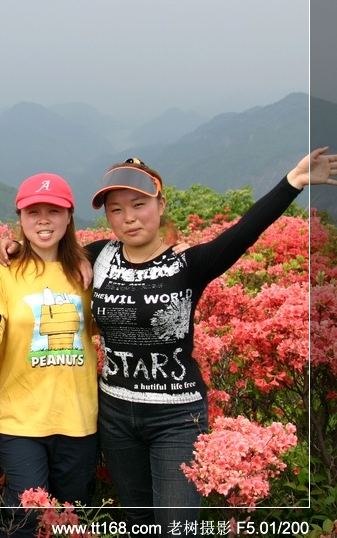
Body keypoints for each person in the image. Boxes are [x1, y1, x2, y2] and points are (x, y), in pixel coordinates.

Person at [85, 149, 337, 534]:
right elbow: (45, 253)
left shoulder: (188, 264)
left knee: (177, 527)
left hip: (176, 419)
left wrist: (294, 182)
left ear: (161, 204)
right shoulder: (98, 255)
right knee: (138, 521)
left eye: (138, 204)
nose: (128, 217)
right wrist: (7, 248)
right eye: (116, 210)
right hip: (115, 413)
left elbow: (244, 231)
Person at [0, 173, 98, 537]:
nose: (43, 220)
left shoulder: (87, 272)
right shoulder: (2, 270)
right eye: (33, 212)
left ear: (69, 216)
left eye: (54, 211)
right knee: (26, 520)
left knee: (74, 524)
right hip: (20, 421)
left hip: (78, 419)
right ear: (20, 219)